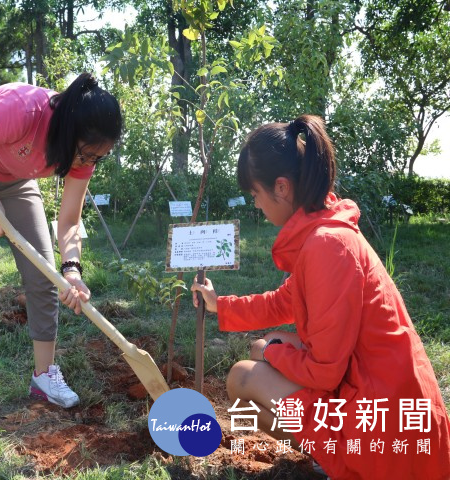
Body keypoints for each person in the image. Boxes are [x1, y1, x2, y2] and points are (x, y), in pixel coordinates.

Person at [191, 115, 450, 479]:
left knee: (242, 378)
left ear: (281, 187)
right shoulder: (324, 229)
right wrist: (222, 304)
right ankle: (328, 451)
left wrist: (271, 352)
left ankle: (338, 460)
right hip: (377, 384)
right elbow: (282, 302)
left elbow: (326, 372)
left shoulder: (327, 246)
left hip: (382, 419)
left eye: (256, 195)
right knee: (258, 348)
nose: (257, 207)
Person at [0, 73, 122, 433]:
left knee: (43, 277)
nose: (90, 161)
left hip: (17, 181)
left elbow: (68, 221)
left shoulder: (85, 149)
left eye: (99, 157)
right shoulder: (20, 111)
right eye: (88, 153)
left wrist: (73, 270)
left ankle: (44, 375)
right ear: (69, 130)